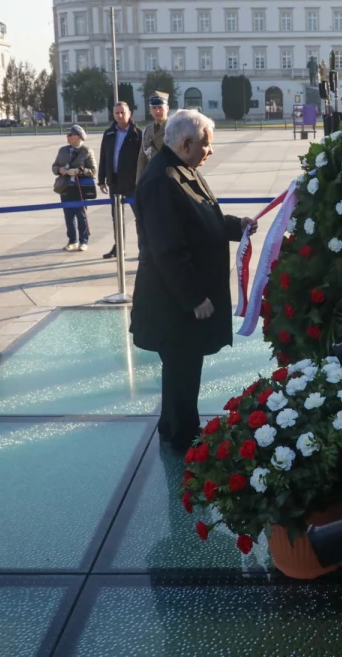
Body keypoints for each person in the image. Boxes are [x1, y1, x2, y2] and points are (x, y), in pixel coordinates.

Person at [130, 109, 256, 452]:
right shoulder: (161, 181)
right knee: (180, 371)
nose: (210, 151)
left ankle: (182, 428)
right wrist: (195, 298)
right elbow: (167, 250)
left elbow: (202, 217)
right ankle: (180, 438)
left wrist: (236, 225)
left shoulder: (182, 169)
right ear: (185, 143)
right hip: (173, 302)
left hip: (180, 300)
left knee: (185, 370)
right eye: (206, 145)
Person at [99, 100, 141, 259]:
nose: (120, 115)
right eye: (117, 113)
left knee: (139, 217)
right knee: (116, 217)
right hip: (114, 182)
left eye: (123, 112)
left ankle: (142, 248)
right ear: (113, 114)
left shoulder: (137, 134)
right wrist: (102, 179)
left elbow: (142, 160)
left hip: (132, 182)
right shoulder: (109, 133)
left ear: (129, 113)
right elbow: (104, 157)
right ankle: (119, 247)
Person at [54, 124, 97, 251]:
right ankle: (72, 240)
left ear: (78, 137)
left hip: (80, 187)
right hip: (65, 187)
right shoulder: (62, 150)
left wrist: (79, 171)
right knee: (68, 215)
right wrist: (59, 170)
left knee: (81, 215)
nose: (67, 137)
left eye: (70, 135)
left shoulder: (86, 151)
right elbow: (54, 166)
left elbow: (93, 170)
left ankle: (84, 241)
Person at [136, 91, 170, 182]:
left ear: (167, 108)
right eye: (154, 108)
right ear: (150, 110)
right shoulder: (147, 130)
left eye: (160, 107)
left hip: (169, 179)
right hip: (151, 179)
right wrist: (139, 183)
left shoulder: (173, 128)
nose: (157, 111)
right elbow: (142, 158)